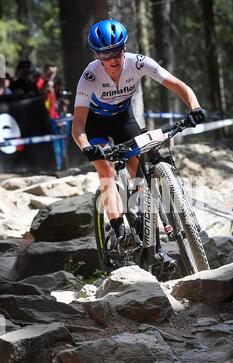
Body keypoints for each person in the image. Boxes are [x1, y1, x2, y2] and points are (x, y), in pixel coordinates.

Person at [72, 19, 206, 261]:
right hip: (95, 123)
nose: (112, 58)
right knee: (106, 169)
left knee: (141, 179)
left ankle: (155, 247)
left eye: (117, 50)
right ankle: (120, 232)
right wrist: (87, 147)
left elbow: (178, 85)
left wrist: (194, 107)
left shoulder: (139, 62)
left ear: (124, 48)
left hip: (124, 119)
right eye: (105, 53)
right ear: (98, 55)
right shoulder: (90, 76)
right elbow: (78, 124)